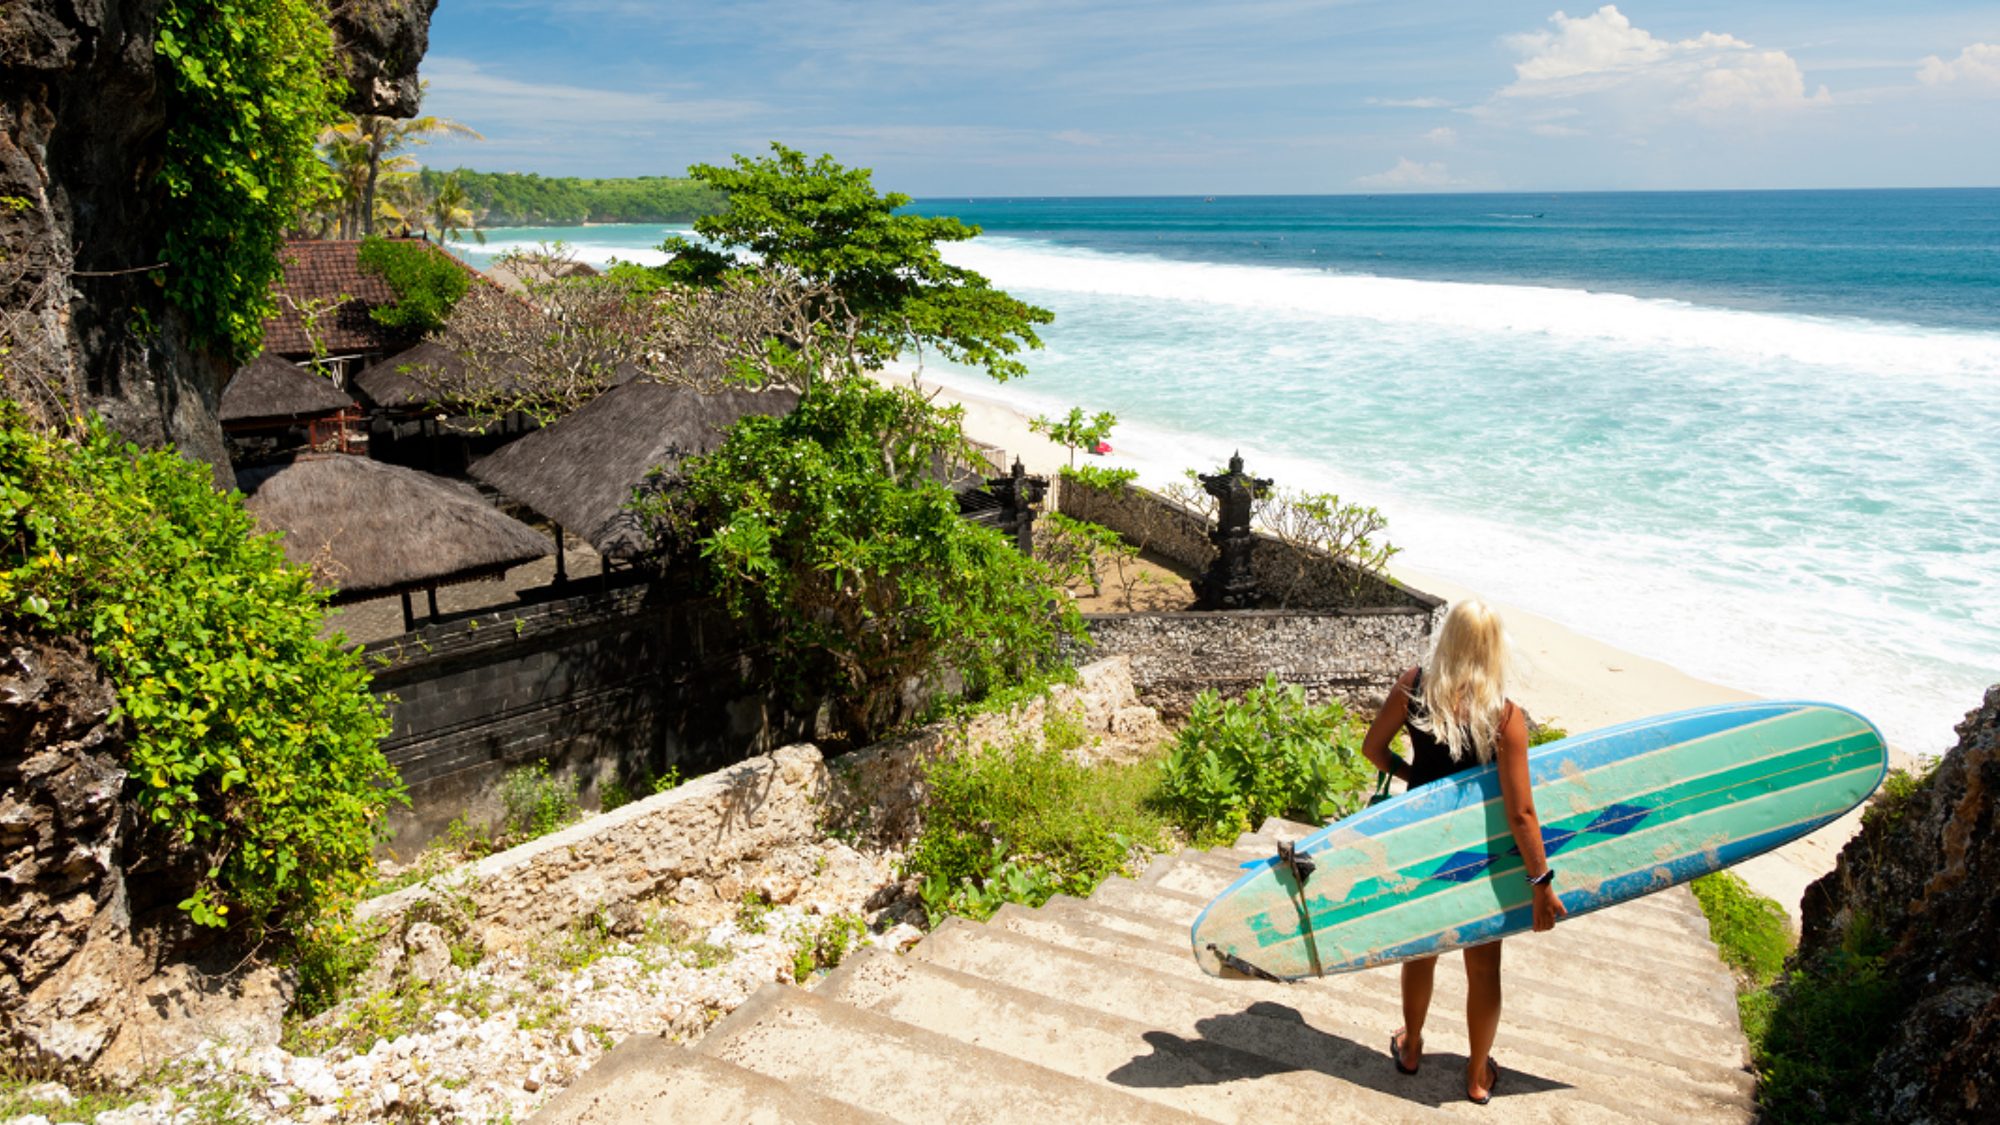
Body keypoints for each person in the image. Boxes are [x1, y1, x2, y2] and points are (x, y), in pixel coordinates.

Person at [1359, 598, 1566, 1105]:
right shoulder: (1504, 717)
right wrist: (1542, 884)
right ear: (1495, 648)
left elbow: (1373, 750)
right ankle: (1476, 1075)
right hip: (1481, 854)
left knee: (1422, 951)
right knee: (1484, 966)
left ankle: (1411, 1048)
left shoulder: (1413, 687)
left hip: (1423, 846)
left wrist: (1417, 780)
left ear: (1447, 637)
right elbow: (1521, 813)